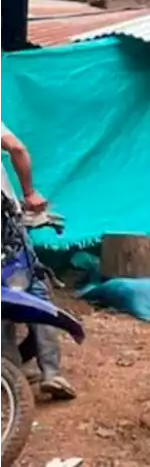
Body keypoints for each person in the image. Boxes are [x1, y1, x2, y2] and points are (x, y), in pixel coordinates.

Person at [0, 123, 75, 400]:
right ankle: (51, 373)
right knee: (32, 288)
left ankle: (12, 376)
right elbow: (16, 147)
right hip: (5, 223)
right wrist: (29, 193)